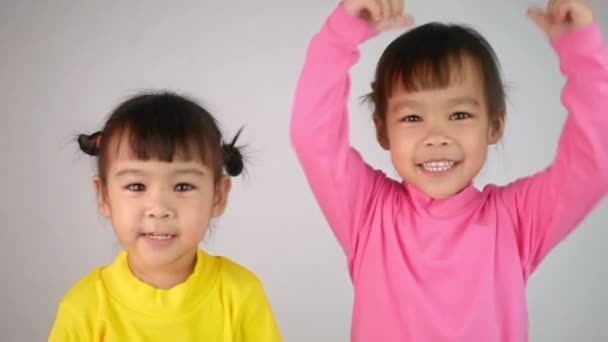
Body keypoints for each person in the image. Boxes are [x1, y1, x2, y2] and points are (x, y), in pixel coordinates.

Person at [290, 0, 607, 340]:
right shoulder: (368, 212)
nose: (436, 137)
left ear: (494, 125)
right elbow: (313, 134)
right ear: (383, 131)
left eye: (459, 115)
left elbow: (594, 159)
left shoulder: (517, 219)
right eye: (412, 117)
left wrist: (580, 51)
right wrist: (341, 34)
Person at [49, 91, 282, 341]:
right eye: (137, 186)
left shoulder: (241, 293)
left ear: (218, 197)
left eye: (182, 186)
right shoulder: (83, 307)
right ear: (104, 197)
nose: (159, 208)